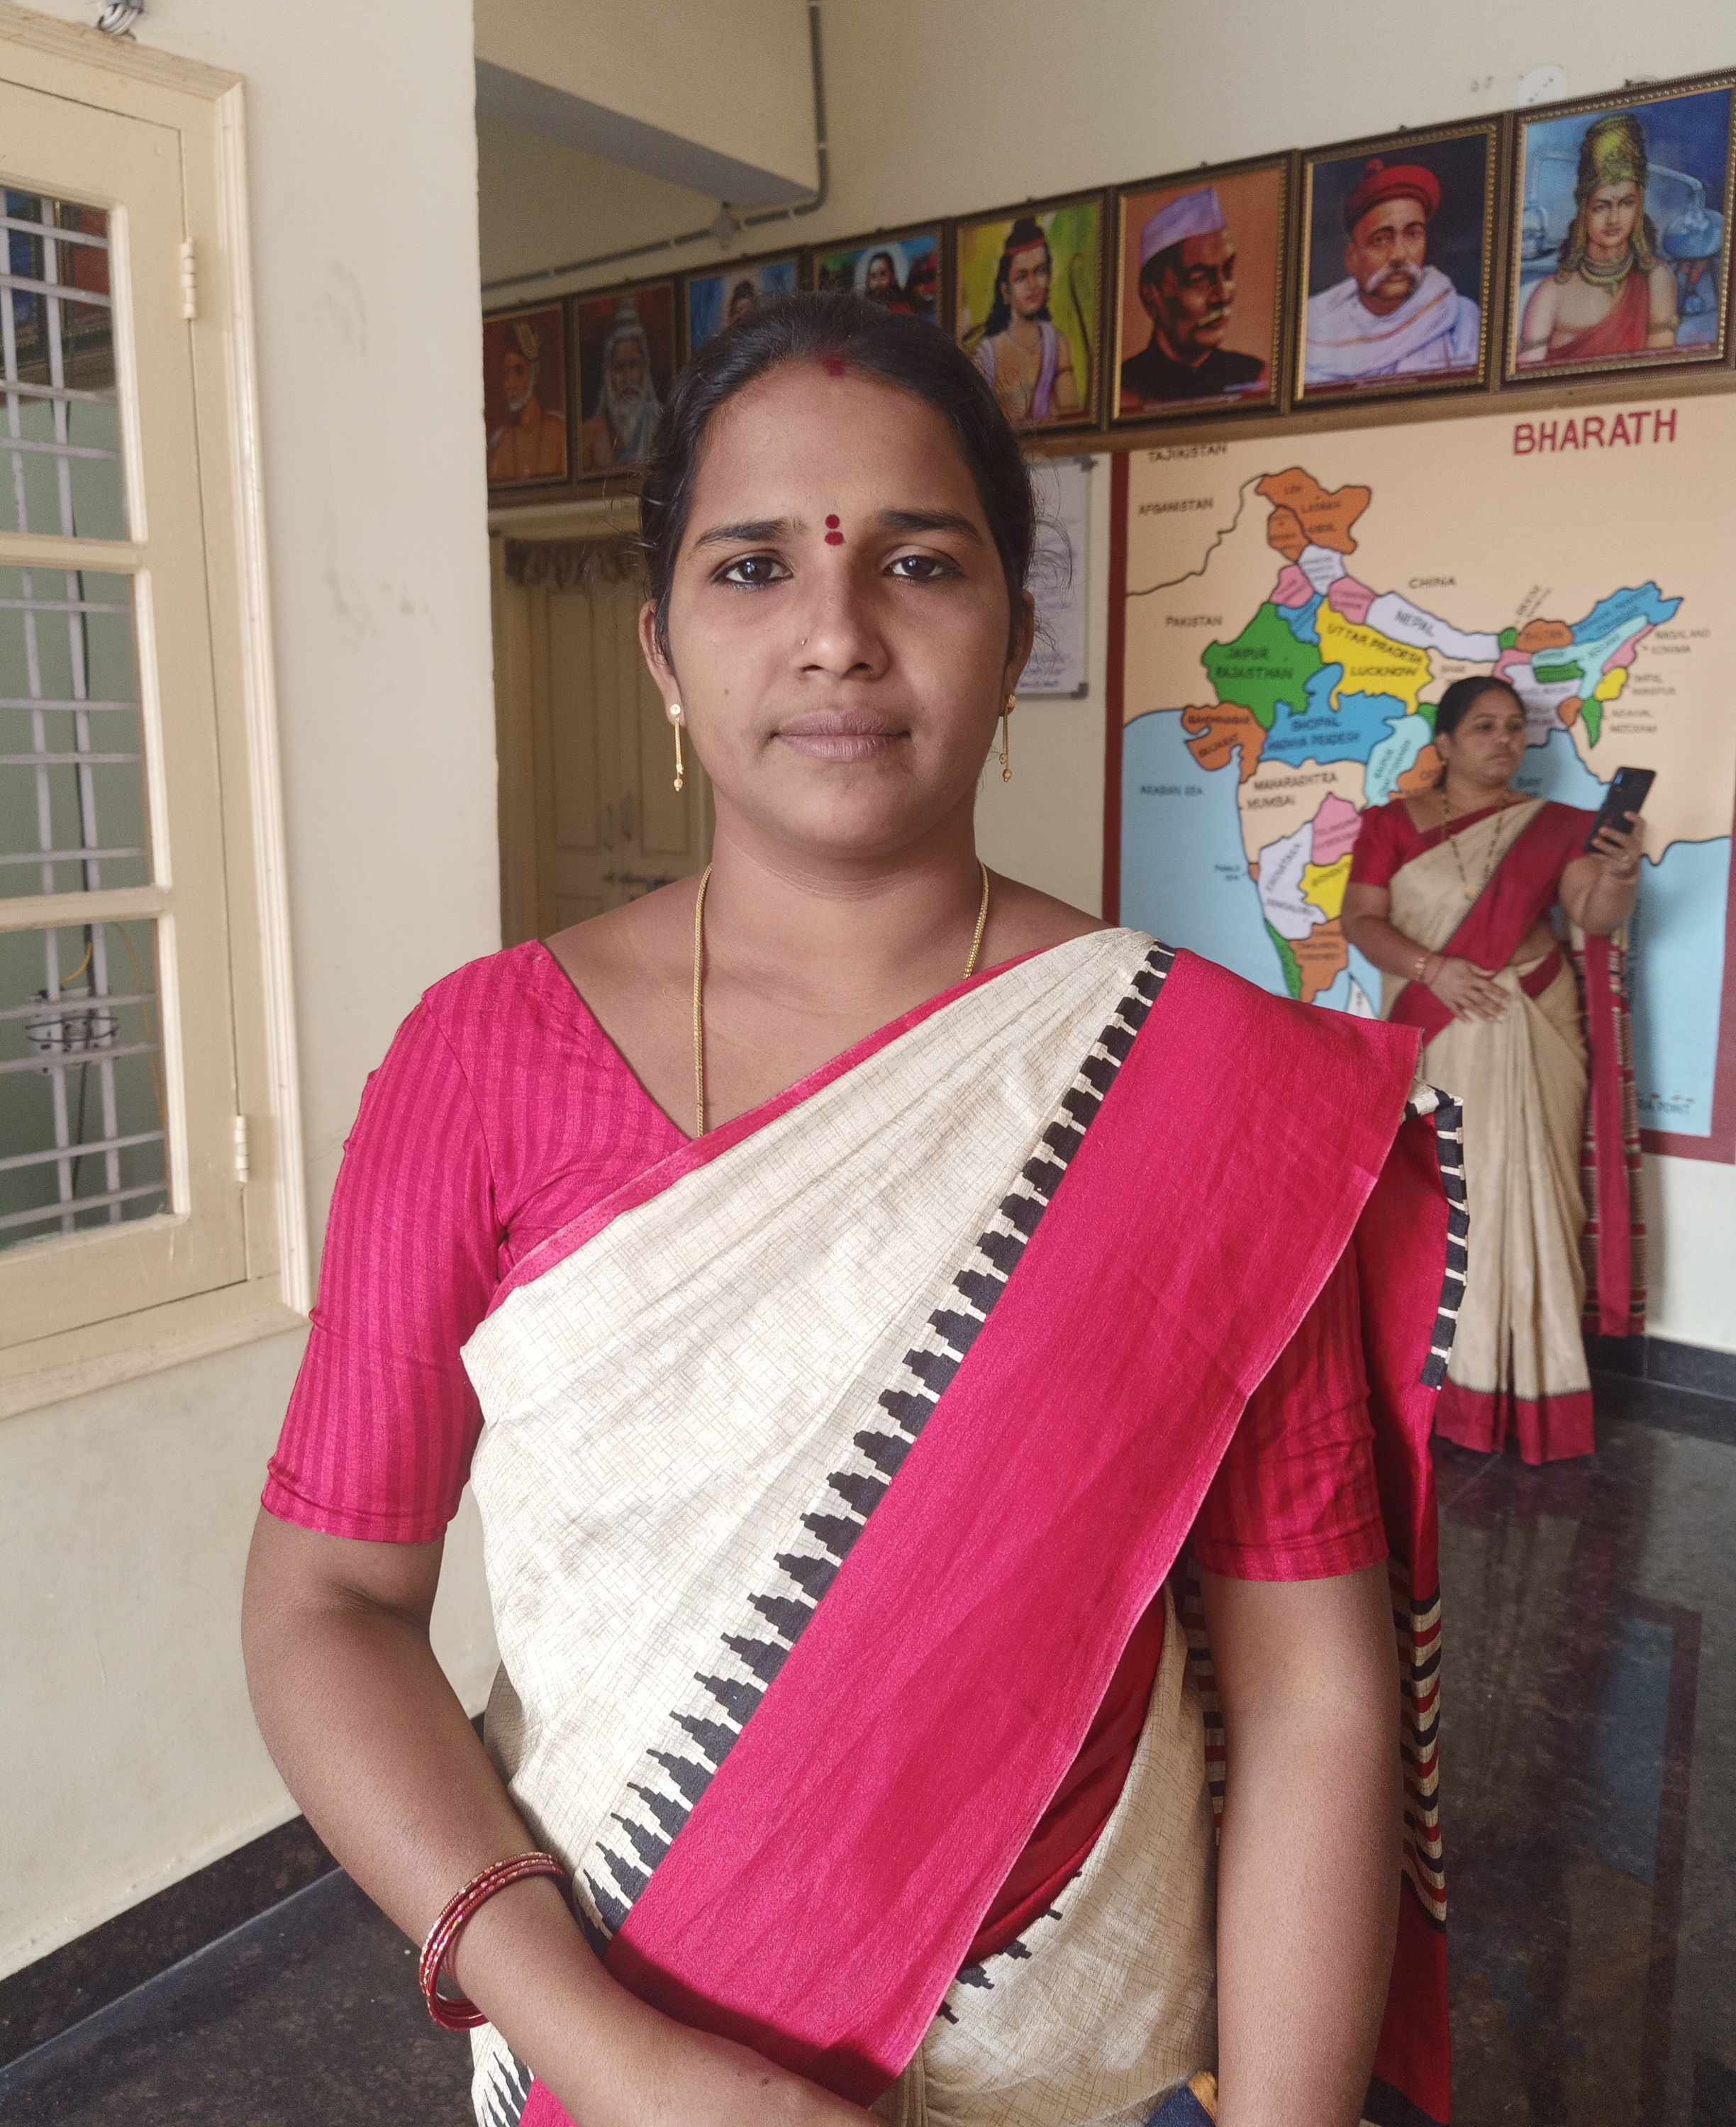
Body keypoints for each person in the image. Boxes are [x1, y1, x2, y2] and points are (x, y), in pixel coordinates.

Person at [245, 294, 1460, 2127]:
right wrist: (621, 2062)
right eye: (753, 568)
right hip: (606, 2060)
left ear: (1016, 634)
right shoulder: (483, 1063)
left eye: (920, 563)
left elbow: (1314, 1695)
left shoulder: (1202, 1093)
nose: (836, 631)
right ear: (661, 652)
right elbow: (327, 1601)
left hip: (1085, 2065)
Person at [1343, 677, 1646, 1465]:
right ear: (1444, 744)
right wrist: (1433, 968)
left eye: (1515, 727)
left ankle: (1540, 1390)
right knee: (1449, 1205)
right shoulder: (1390, 825)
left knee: (1537, 1195)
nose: (1505, 739)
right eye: (1484, 726)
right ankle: (1453, 1391)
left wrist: (1618, 875)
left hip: (1532, 1024)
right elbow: (1362, 922)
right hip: (1440, 1025)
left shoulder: (1558, 827)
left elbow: (1592, 914)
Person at [1516, 112, 1679, 366]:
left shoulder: (1656, 278)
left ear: (1639, 207)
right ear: (1584, 210)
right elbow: (1527, 375)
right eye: (1601, 206)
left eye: (1626, 203)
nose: (1614, 219)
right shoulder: (1551, 293)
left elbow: (1660, 369)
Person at [1304, 159, 1481, 387]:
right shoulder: (1314, 329)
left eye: (1413, 234)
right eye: (1381, 239)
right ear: (1352, 258)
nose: (1399, 255)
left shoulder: (1461, 318)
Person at [1120, 185, 1266, 410]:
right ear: (1152, 297)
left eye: (1227, 273)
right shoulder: (1124, 392)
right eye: (1199, 280)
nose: (1223, 295)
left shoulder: (1256, 379)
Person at [969, 216, 1083, 425]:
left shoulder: (1057, 344)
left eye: (1040, 271)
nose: (1033, 285)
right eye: (1021, 277)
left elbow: (1070, 417)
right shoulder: (985, 356)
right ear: (1005, 290)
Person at [579, 299, 664, 471]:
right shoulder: (589, 433)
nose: (627, 377)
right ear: (609, 375)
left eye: (634, 365)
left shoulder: (662, 423)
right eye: (619, 366)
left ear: (644, 368)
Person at [488, 319, 567, 484]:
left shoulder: (560, 432)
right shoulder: (499, 443)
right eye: (506, 373)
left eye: (519, 371)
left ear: (535, 372)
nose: (509, 384)